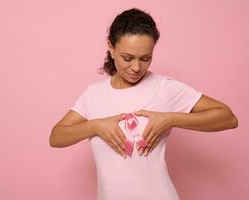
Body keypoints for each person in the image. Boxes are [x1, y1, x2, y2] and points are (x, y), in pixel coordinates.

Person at [49, 8, 238, 200]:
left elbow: (228, 117)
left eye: (146, 58)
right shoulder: (93, 94)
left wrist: (171, 119)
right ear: (111, 48)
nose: (137, 67)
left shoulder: (163, 88)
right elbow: (56, 137)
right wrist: (95, 126)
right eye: (128, 58)